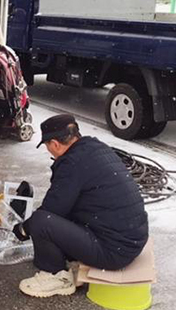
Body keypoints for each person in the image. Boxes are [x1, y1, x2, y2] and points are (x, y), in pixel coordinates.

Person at [13, 114, 148, 298]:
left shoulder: (72, 163)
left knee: (41, 221)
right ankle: (73, 262)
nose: (49, 151)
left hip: (114, 251)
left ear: (55, 144)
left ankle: (56, 277)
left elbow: (52, 210)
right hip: (132, 240)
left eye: (47, 146)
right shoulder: (94, 147)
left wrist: (23, 229)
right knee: (64, 212)